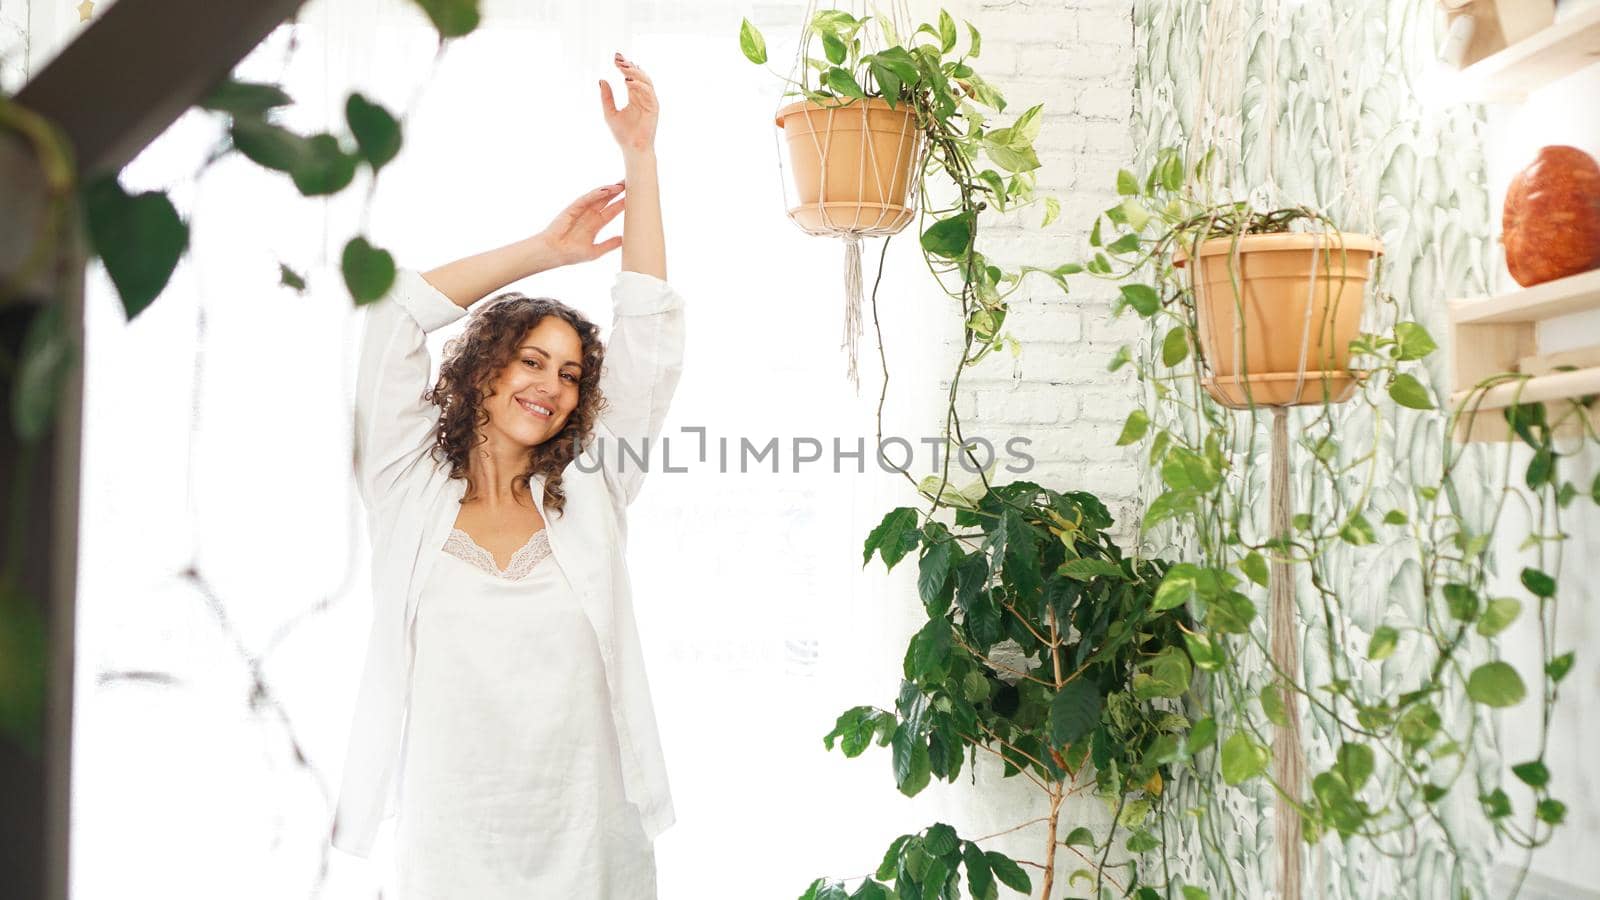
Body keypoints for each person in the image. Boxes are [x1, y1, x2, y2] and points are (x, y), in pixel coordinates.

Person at [328, 52, 682, 899]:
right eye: (531, 360)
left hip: (589, 841)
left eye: (568, 374)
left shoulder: (594, 489)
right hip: (451, 847)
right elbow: (395, 311)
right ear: (484, 372)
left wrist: (642, 157)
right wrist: (546, 251)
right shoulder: (405, 490)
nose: (551, 386)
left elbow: (649, 336)